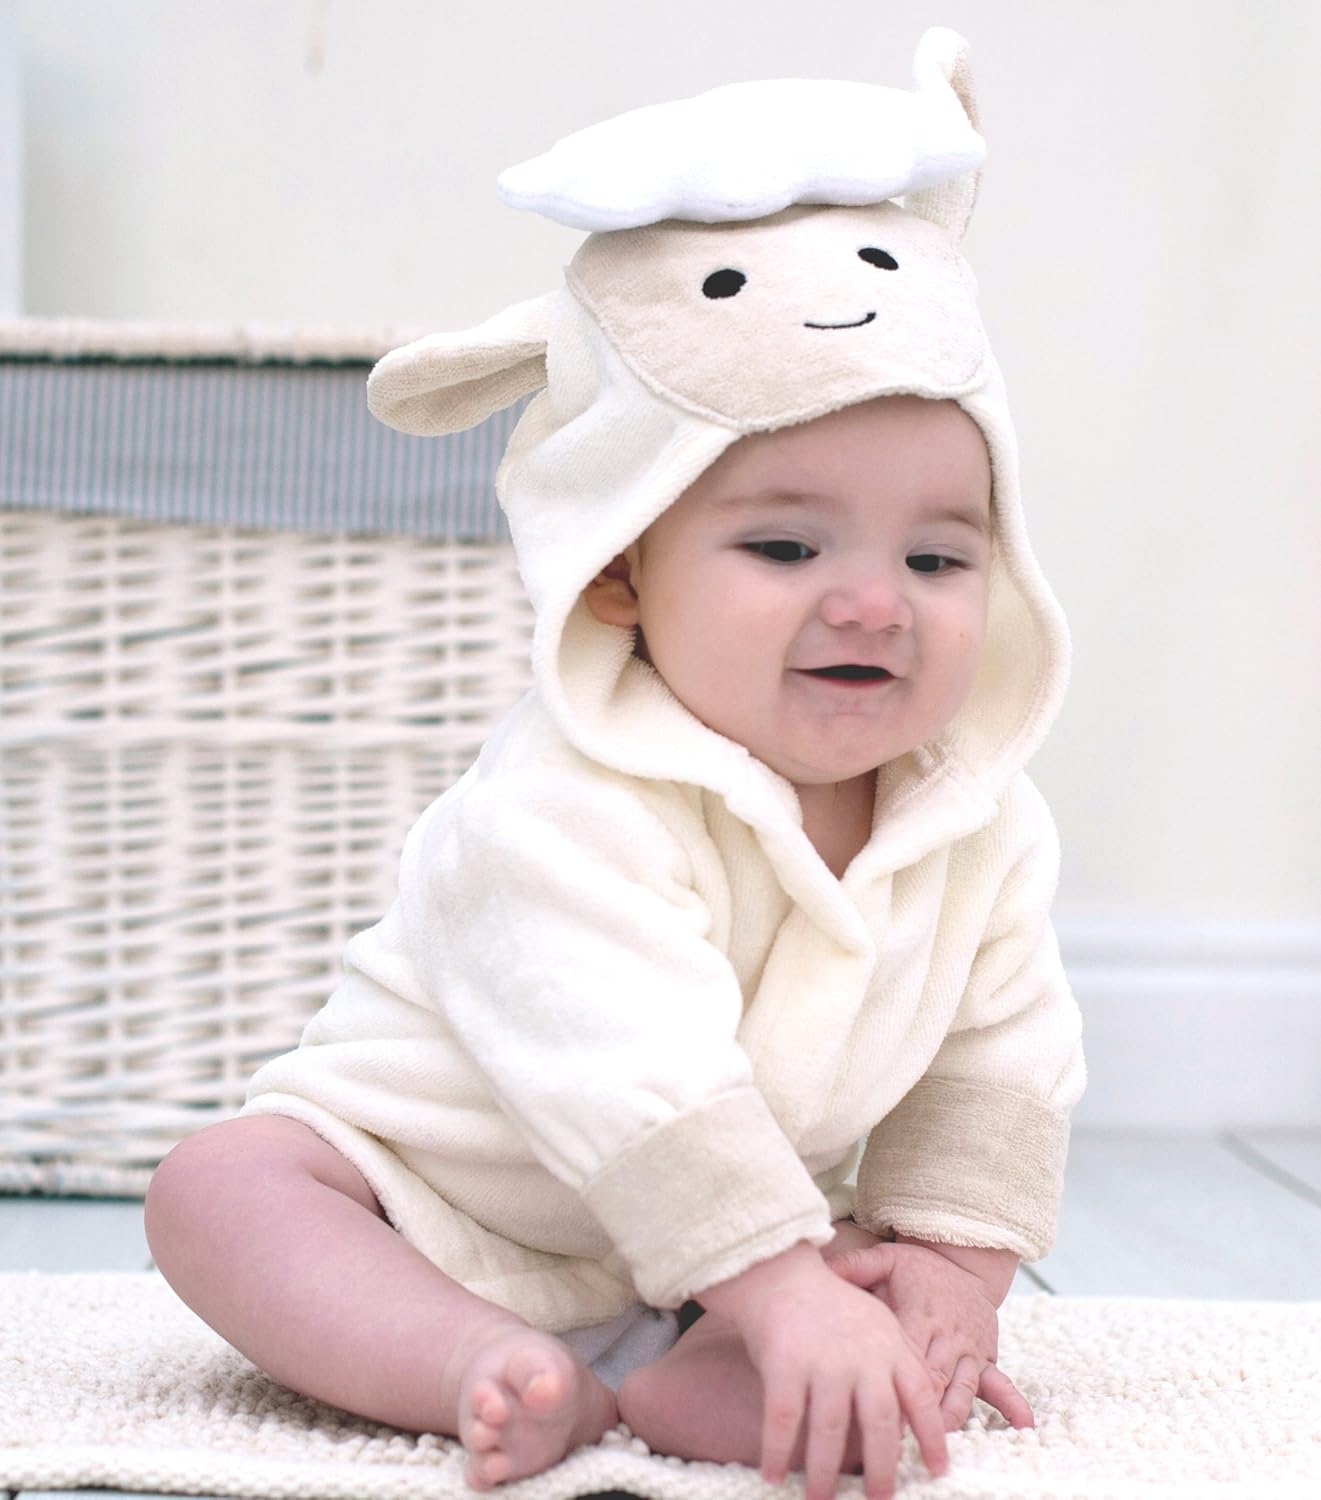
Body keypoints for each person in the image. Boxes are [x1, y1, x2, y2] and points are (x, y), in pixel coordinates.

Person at [145, 30, 1084, 1500]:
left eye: (936, 557)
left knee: (865, 1317)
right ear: (618, 571)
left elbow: (999, 1056)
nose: (871, 602)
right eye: (785, 546)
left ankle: (689, 1372)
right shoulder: (564, 799)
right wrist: (777, 1284)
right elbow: (623, 1059)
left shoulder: (979, 820)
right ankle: (471, 1361)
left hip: (723, 1244)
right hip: (425, 1205)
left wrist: (948, 1270)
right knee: (223, 1187)